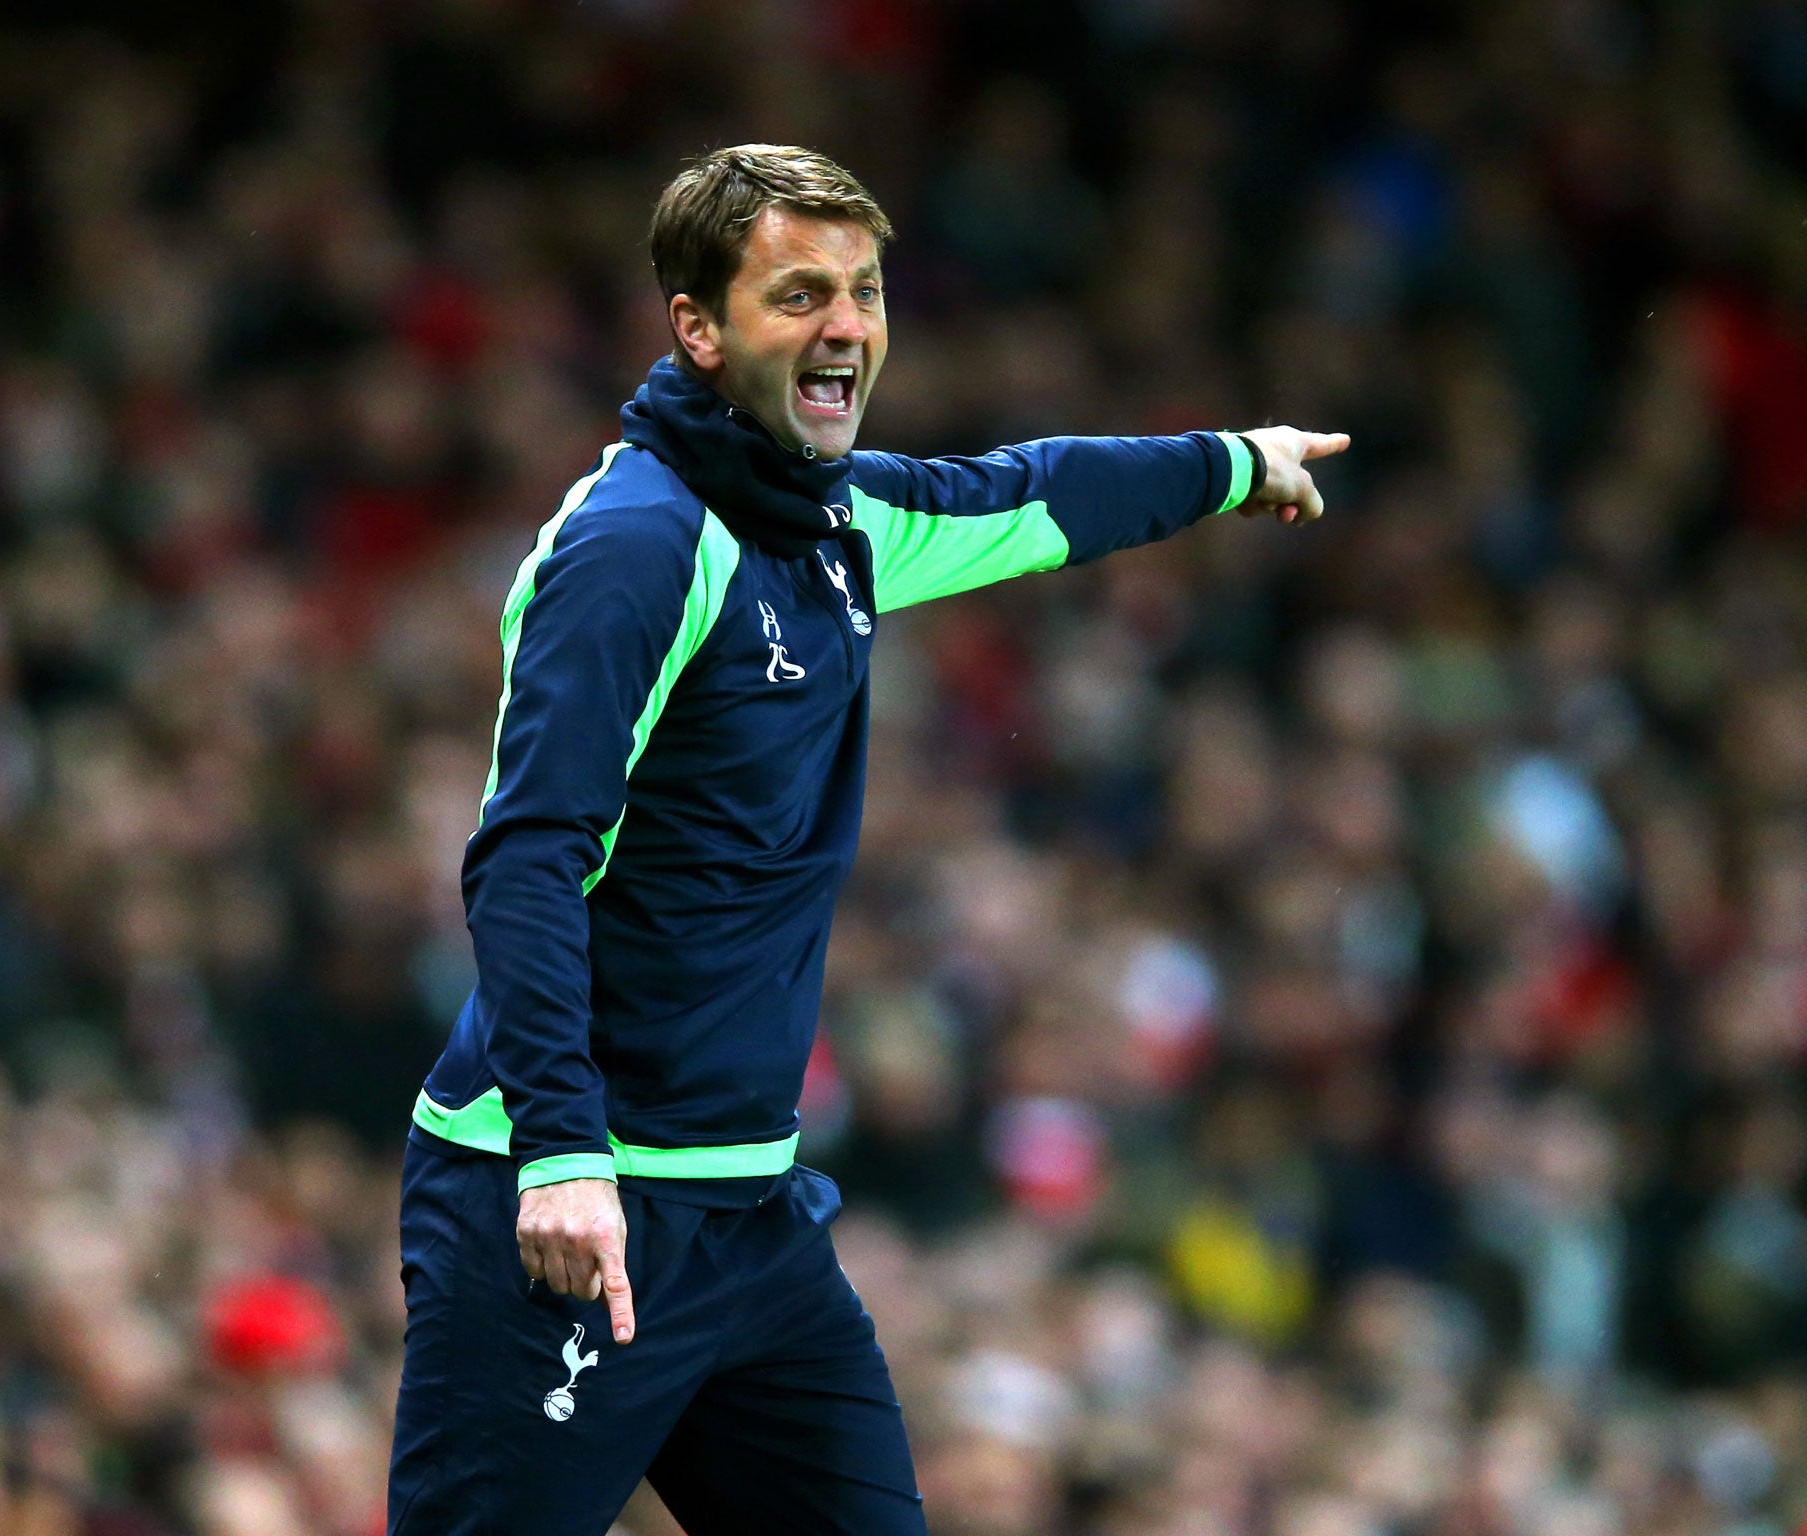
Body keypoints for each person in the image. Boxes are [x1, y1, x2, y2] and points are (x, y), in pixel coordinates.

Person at [387, 143, 1347, 1536]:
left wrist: (1231, 464)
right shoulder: (636, 549)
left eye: (865, 291)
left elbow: (1036, 494)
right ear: (700, 329)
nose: (845, 326)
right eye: (798, 296)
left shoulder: (839, 520)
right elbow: (528, 859)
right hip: (570, 1213)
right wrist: (559, 1152)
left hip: (748, 1216)